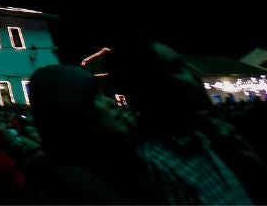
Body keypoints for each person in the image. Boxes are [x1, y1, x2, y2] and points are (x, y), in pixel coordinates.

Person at [107, 38, 255, 204]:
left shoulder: (198, 136)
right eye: (178, 68)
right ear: (152, 90)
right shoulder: (157, 166)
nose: (195, 76)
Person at [26, 63, 148, 203]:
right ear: (73, 111)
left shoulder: (109, 161)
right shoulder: (79, 188)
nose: (112, 102)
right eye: (95, 97)